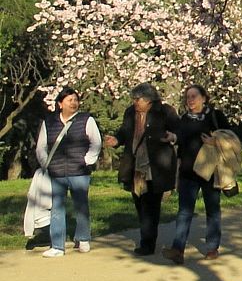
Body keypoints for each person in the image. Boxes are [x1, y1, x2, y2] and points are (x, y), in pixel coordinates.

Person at [164, 84, 239, 264]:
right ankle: (178, 249)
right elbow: (180, 137)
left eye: (194, 96)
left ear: (204, 98)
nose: (190, 100)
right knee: (184, 212)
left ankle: (212, 247)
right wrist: (172, 138)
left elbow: (232, 136)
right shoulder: (184, 119)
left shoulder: (215, 116)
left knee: (212, 210)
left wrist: (215, 141)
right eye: (188, 97)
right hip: (188, 171)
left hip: (210, 172)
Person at [105, 83, 179, 256]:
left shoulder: (165, 111)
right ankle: (147, 238)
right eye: (134, 99)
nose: (135, 102)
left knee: (151, 205)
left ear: (149, 100)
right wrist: (116, 140)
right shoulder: (130, 112)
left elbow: (179, 130)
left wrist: (172, 137)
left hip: (156, 167)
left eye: (138, 99)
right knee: (140, 203)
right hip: (136, 165)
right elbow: (124, 132)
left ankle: (147, 243)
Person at [33, 88, 103, 257]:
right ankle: (57, 246)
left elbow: (96, 142)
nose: (73, 103)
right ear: (60, 104)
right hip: (56, 172)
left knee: (81, 205)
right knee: (57, 208)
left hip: (79, 171)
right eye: (69, 100)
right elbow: (41, 146)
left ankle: (83, 238)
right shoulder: (49, 122)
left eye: (75, 100)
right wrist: (46, 164)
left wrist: (87, 160)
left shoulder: (86, 119)